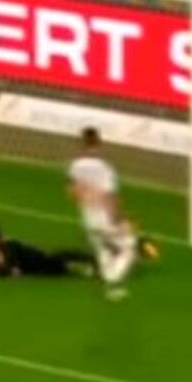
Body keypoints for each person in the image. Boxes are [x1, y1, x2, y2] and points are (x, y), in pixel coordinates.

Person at [68, 127, 147, 300]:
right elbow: (110, 197)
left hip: (87, 217)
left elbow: (73, 192)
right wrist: (119, 220)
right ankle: (114, 281)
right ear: (99, 143)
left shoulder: (75, 166)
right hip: (105, 218)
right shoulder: (105, 169)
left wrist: (86, 201)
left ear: (81, 143)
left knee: (102, 251)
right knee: (129, 246)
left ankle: (108, 287)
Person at [0, 225, 95, 279]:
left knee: (64, 260)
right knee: (65, 260)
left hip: (46, 266)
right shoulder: (4, 245)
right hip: (42, 265)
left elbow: (11, 270)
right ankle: (88, 264)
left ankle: (91, 262)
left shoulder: (8, 247)